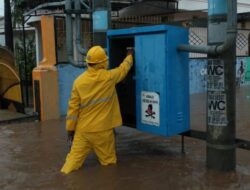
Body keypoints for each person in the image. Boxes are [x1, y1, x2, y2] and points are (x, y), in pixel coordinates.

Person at [61, 45, 134, 174]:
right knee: (109, 165)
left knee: (70, 166)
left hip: (83, 132)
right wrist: (129, 55)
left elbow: (72, 110)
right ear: (103, 62)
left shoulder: (78, 82)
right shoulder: (109, 77)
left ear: (88, 63)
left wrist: (70, 130)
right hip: (103, 131)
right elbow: (124, 69)